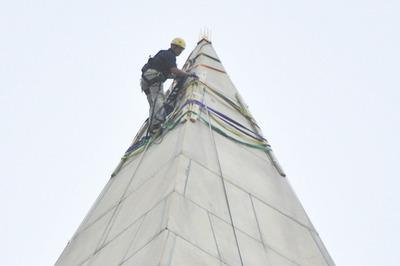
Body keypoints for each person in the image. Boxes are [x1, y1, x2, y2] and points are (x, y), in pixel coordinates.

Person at [141, 38, 196, 134]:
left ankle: (152, 124)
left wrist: (176, 77)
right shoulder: (170, 55)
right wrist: (186, 75)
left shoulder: (162, 53)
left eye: (181, 50)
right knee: (159, 99)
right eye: (179, 49)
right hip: (154, 77)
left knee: (153, 103)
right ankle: (156, 124)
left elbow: (168, 73)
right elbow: (174, 70)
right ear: (173, 46)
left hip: (146, 80)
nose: (180, 51)